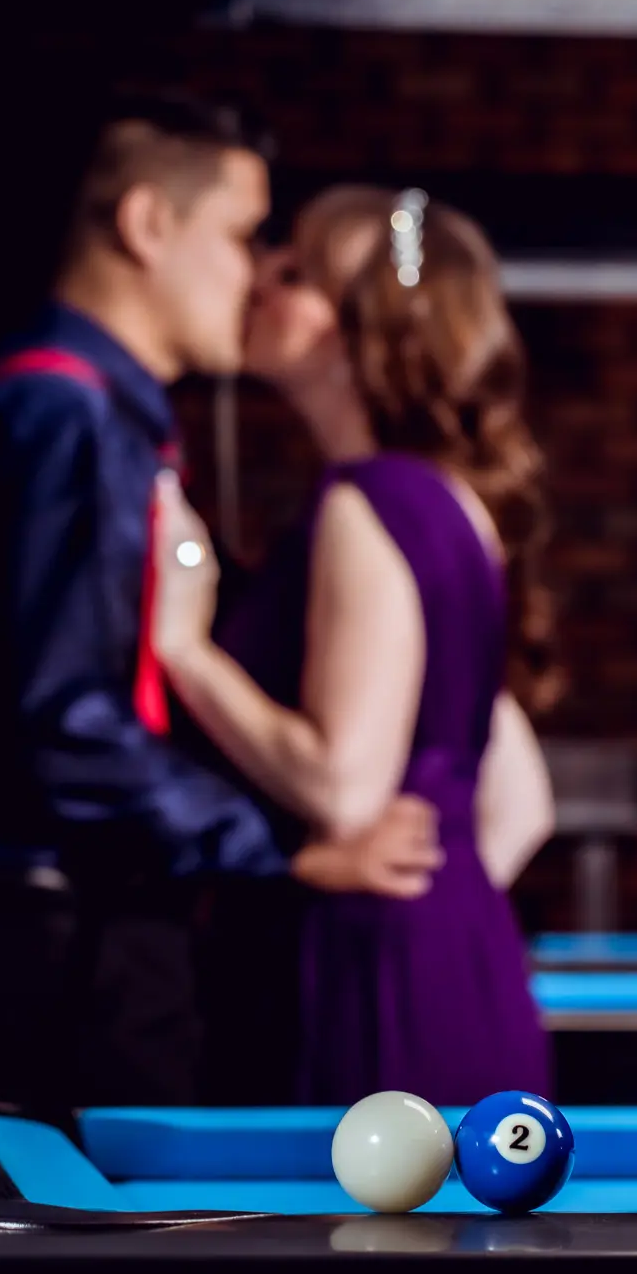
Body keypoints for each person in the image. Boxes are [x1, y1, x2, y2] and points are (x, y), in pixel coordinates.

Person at [0, 93, 441, 1113]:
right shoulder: (60, 412)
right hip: (37, 940)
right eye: (241, 234)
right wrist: (283, 848)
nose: (258, 269)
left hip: (66, 924)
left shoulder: (98, 415)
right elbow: (65, 725)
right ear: (146, 224)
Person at [149, 185, 560, 1105]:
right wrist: (444, 900)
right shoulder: (459, 504)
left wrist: (185, 648)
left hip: (368, 976)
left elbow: (343, 786)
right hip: (461, 959)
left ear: (354, 329)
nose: (259, 279)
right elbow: (522, 801)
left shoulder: (366, 501)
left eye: (293, 273)